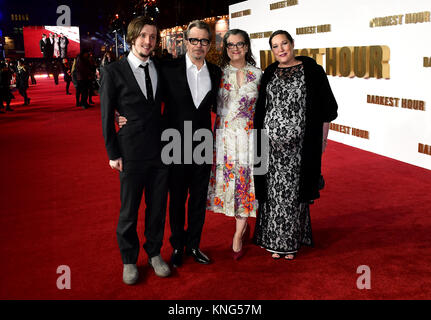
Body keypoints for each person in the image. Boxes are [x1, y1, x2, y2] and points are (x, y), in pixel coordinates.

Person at [119, 20, 221, 267]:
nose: (198, 45)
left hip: (202, 142)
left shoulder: (216, 72)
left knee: (198, 198)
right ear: (186, 42)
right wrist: (124, 116)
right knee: (176, 198)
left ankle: (194, 245)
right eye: (194, 40)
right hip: (173, 143)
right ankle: (177, 246)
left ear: (209, 44)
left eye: (204, 41)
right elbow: (143, 93)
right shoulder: (167, 68)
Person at [253, 30, 338, 260]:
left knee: (292, 195)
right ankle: (273, 240)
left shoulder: (311, 71)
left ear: (292, 44)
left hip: (299, 149)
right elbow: (262, 107)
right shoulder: (269, 72)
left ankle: (289, 244)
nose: (281, 49)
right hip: (270, 148)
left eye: (284, 44)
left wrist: (323, 140)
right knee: (273, 194)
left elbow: (327, 109)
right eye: (275, 46)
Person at [100, 16, 171, 285]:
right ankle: (129, 260)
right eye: (143, 36)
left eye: (152, 37)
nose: (148, 41)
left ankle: (154, 253)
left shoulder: (160, 68)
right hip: (130, 152)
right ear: (132, 38)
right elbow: (107, 117)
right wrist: (112, 153)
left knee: (157, 208)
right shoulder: (113, 72)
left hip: (161, 151)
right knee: (129, 210)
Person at [206, 29, 262, 260]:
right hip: (225, 138)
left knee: (246, 184)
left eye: (240, 44)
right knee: (231, 183)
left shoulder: (259, 74)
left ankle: (238, 233)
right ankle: (242, 225)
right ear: (225, 48)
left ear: (247, 47)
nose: (235, 48)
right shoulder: (217, 74)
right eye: (230, 45)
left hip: (250, 138)